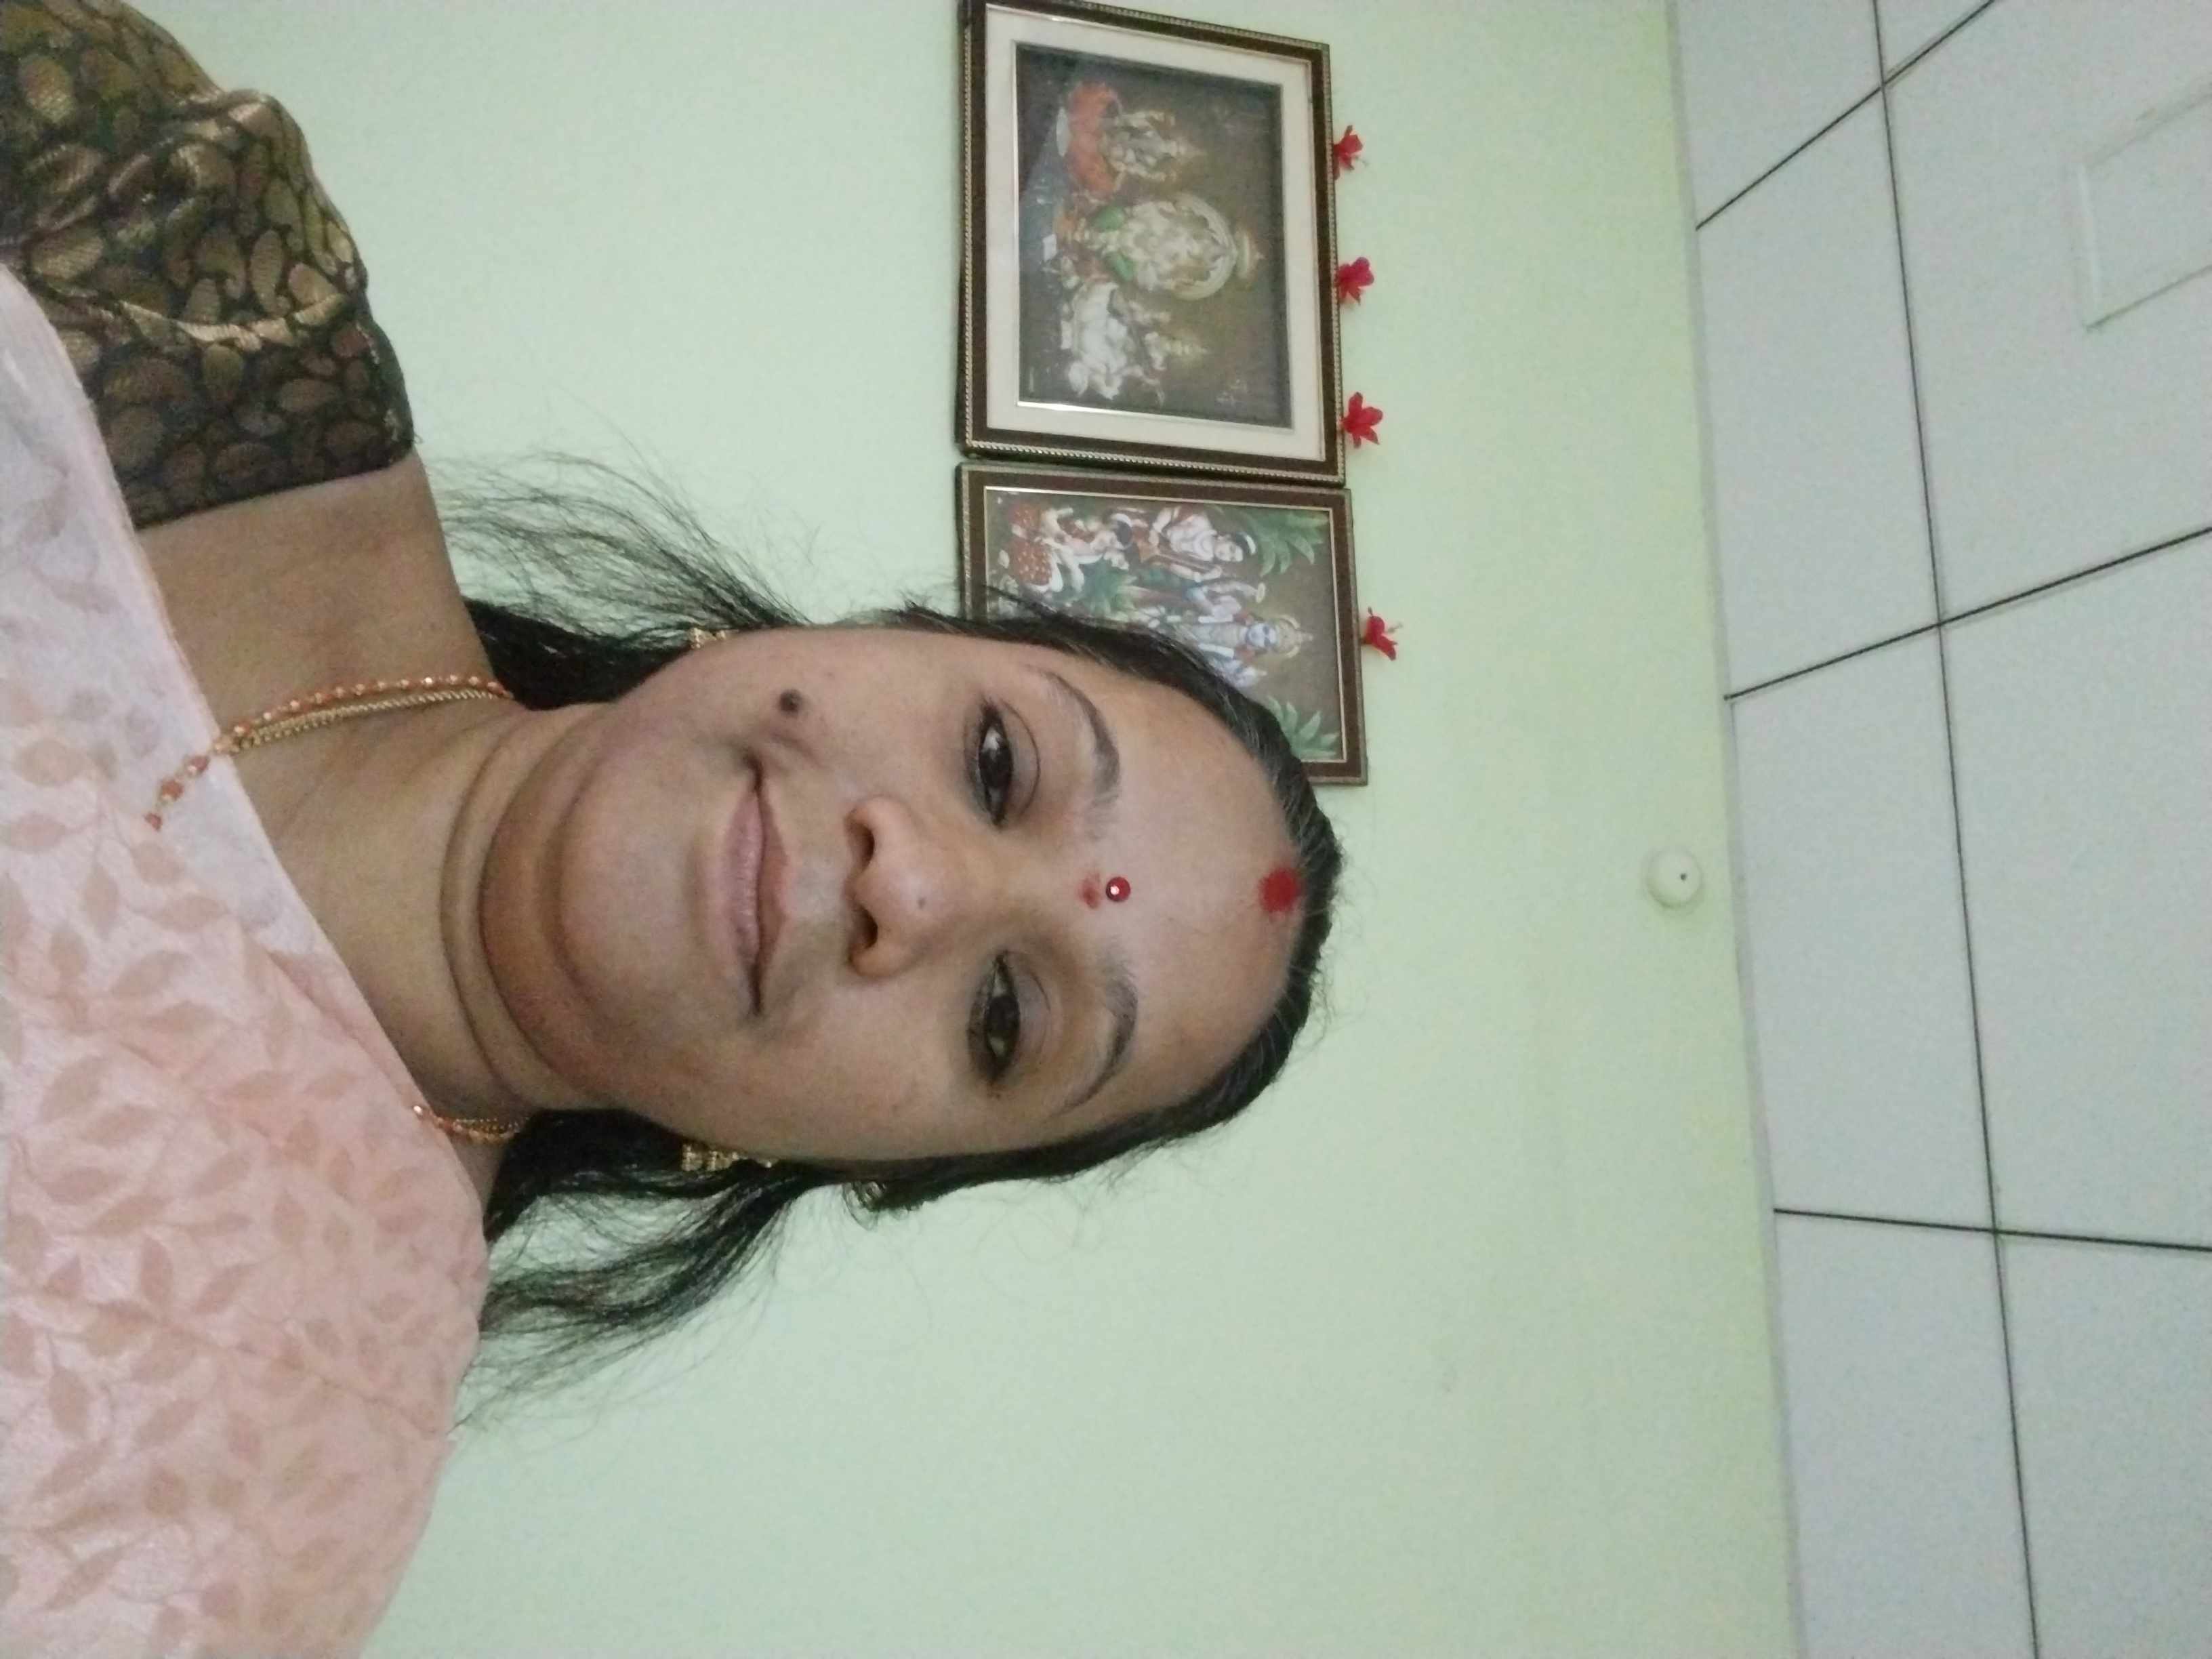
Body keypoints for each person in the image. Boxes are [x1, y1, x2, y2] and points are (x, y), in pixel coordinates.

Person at [0, 5, 1341, 1653]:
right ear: (868, 632)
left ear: (861, 1167)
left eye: (1005, 1016)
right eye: (996, 761)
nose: (914, 884)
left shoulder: (256, 1483)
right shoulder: (174, 243)